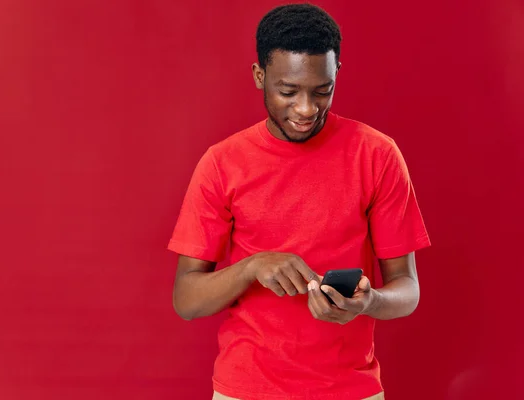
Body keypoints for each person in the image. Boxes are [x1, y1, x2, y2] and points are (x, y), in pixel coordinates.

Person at [167, 3, 430, 400]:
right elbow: (187, 301)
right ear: (260, 76)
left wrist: (369, 301)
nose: (307, 109)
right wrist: (252, 267)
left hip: (350, 390)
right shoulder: (222, 163)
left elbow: (407, 290)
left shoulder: (377, 155)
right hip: (246, 390)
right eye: (288, 91)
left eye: (322, 90)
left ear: (337, 72)